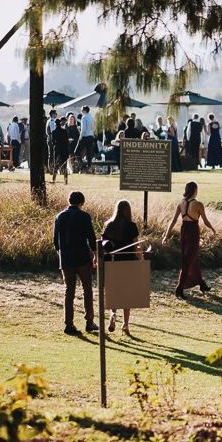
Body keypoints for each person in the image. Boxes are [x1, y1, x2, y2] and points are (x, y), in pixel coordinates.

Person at [53, 191, 98, 334]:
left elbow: (56, 241)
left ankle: (69, 323)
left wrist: (61, 253)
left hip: (66, 259)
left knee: (69, 291)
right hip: (82, 258)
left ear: (69, 201)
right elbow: (91, 238)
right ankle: (89, 321)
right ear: (82, 202)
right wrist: (95, 254)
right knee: (87, 289)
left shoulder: (59, 217)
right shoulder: (84, 216)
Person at [162, 181, 216, 299]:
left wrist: (166, 235)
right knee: (188, 259)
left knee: (192, 257)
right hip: (192, 232)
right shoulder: (198, 204)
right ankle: (179, 288)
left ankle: (201, 284)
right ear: (195, 190)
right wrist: (213, 229)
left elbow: (173, 220)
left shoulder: (181, 203)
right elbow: (205, 221)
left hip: (184, 231)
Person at [102, 200, 141, 335]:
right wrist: (141, 258)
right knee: (127, 294)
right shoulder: (131, 226)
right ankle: (125, 324)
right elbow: (136, 246)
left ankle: (113, 314)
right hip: (128, 262)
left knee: (115, 291)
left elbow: (103, 243)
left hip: (113, 262)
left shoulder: (109, 225)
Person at [75, 105, 96, 172]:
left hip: (85, 136)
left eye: (81, 110)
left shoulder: (84, 118)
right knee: (89, 153)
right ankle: (89, 166)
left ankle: (82, 166)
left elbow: (83, 129)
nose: (81, 112)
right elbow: (93, 128)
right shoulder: (92, 118)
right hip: (91, 136)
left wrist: (80, 138)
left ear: (84, 111)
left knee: (77, 152)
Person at [52, 117, 70, 185]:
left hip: (57, 149)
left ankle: (54, 179)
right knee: (64, 166)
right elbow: (67, 142)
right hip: (64, 149)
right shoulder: (64, 131)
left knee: (56, 166)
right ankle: (65, 180)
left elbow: (53, 142)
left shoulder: (53, 132)